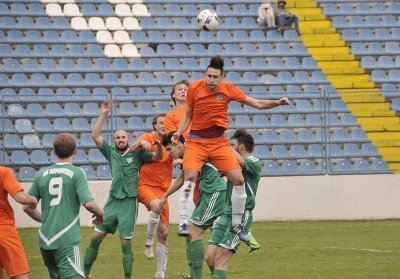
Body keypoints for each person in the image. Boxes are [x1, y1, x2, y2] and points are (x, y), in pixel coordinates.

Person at [172, 55, 289, 240]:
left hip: (219, 142)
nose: (210, 80)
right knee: (191, 175)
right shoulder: (194, 87)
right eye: (208, 76)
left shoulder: (228, 89)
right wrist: (179, 132)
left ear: (222, 77)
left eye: (215, 77)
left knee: (238, 179)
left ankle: (236, 225)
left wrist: (277, 103)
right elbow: (188, 114)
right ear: (205, 75)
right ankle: (184, 222)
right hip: (196, 141)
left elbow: (256, 103)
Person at [83, 100, 163, 279]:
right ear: (114, 141)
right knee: (95, 239)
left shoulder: (137, 154)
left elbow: (158, 157)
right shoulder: (110, 152)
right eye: (118, 138)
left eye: (123, 137)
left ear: (129, 140)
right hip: (112, 202)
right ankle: (84, 274)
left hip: (128, 203)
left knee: (125, 243)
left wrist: (155, 145)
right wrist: (103, 113)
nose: (120, 140)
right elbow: (95, 135)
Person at [23, 133, 104, 279]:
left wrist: (46, 219)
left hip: (45, 239)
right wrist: (101, 214)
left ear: (54, 152)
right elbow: (89, 203)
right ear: (75, 151)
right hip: (66, 239)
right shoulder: (77, 173)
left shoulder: (42, 173)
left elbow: (26, 207)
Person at [160, 132, 227, 279]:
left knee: (192, 231)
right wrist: (165, 195)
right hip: (208, 194)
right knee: (190, 232)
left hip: (215, 192)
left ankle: (198, 275)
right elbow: (184, 177)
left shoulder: (194, 150)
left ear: (178, 144)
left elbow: (191, 173)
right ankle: (196, 274)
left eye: (170, 149)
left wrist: (182, 162)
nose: (170, 153)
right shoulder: (188, 155)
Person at [205, 129, 262, 278]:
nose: (232, 147)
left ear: (241, 146)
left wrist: (220, 140)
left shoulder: (255, 162)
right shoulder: (231, 163)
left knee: (220, 260)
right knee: (210, 258)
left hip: (241, 216)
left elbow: (240, 161)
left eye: (234, 144)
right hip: (225, 215)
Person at [137, 114, 173, 279]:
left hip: (163, 190)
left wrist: (180, 159)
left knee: (164, 233)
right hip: (145, 185)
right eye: (160, 123)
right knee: (157, 205)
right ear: (154, 126)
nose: (164, 125)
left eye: (166, 122)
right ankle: (148, 243)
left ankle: (160, 274)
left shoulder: (172, 142)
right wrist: (142, 144)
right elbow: (136, 147)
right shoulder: (148, 137)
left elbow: (182, 153)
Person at [0, 166, 37, 279]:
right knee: (20, 274)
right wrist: (33, 200)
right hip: (4, 230)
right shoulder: (3, 172)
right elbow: (21, 198)